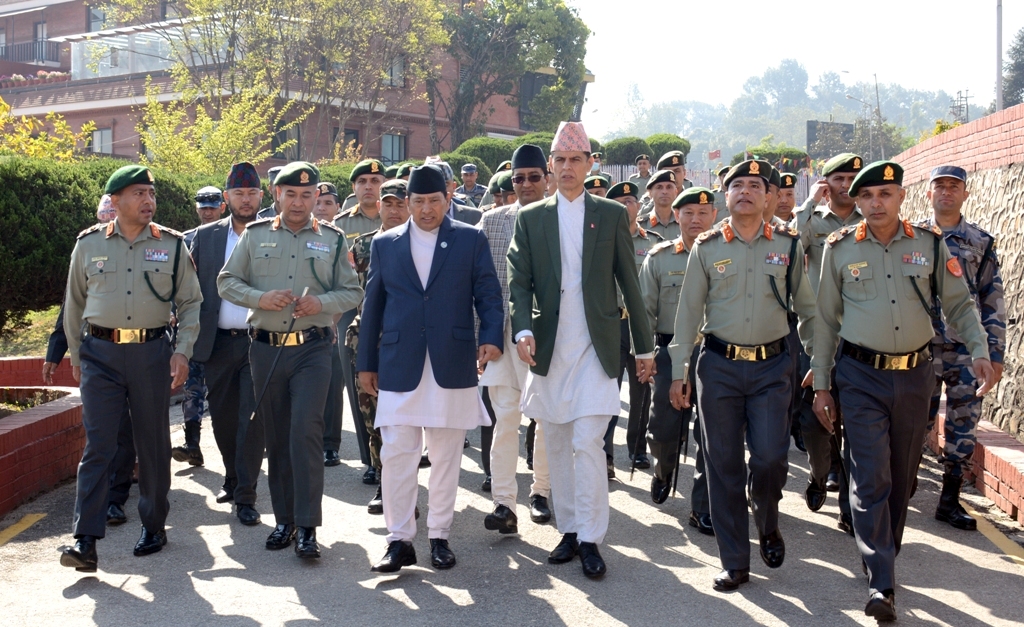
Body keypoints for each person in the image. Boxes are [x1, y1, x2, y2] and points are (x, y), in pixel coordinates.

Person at [810, 160, 995, 621]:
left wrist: (979, 348)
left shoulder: (929, 245)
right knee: (871, 475)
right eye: (867, 196)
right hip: (860, 375)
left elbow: (958, 302)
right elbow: (825, 321)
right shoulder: (839, 248)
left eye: (885, 195)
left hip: (916, 375)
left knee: (902, 478)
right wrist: (822, 383)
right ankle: (881, 582)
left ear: (901, 198)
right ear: (857, 200)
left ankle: (885, 557)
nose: (875, 203)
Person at [507, 121, 654, 579]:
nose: (567, 168)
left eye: (576, 160)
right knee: (555, 439)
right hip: (550, 348)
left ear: (591, 164)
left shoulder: (610, 214)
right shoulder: (531, 218)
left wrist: (645, 349)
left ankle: (591, 537)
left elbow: (630, 282)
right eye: (560, 160)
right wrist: (522, 330)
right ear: (550, 166)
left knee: (587, 440)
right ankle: (568, 530)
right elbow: (519, 283)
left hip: (597, 346)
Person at [669, 159, 816, 591]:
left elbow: (806, 309)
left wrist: (820, 366)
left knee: (771, 458)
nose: (746, 191)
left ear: (769, 196)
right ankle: (735, 560)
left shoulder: (787, 246)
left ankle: (767, 521)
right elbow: (688, 315)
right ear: (725, 196)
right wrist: (680, 371)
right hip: (718, 369)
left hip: (773, 368)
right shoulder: (708, 247)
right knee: (724, 465)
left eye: (756, 185)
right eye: (737, 185)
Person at [358, 164, 503, 573]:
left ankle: (439, 536)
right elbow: (373, 308)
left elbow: (488, 293)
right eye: (418, 202)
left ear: (447, 200)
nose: (425, 210)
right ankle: (399, 540)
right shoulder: (386, 244)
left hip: (451, 363)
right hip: (400, 365)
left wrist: (491, 335)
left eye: (434, 202)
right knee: (398, 454)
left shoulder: (469, 240)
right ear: (407, 204)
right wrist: (366, 362)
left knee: (444, 457)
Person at [60, 165, 203, 571]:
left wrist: (183, 351)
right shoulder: (88, 245)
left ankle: (154, 525)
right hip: (100, 355)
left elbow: (191, 303)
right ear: (116, 200)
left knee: (152, 443)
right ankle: (85, 539)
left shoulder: (172, 245)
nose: (148, 201)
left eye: (151, 194)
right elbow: (73, 303)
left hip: (151, 352)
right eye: (139, 193)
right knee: (99, 445)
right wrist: (76, 354)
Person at [218, 161, 363, 559]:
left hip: (313, 349)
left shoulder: (333, 240)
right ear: (277, 195)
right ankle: (284, 520)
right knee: (278, 437)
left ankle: (308, 527)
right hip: (265, 349)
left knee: (305, 432)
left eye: (307, 194)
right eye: (290, 194)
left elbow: (352, 292)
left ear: (317, 197)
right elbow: (226, 281)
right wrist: (259, 299)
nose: (299, 202)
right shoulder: (255, 235)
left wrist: (322, 302)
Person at [920, 165, 1005, 530]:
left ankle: (950, 498)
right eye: (940, 186)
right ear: (928, 193)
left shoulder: (980, 242)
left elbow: (992, 298)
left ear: (966, 194)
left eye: (954, 187)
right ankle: (903, 483)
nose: (947, 192)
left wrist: (995, 353)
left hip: (965, 347)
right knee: (913, 419)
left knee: (963, 423)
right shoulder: (914, 237)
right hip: (919, 344)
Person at [46, 197, 137, 528]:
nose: (108, 222)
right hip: (95, 355)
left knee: (126, 431)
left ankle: (117, 496)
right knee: (101, 434)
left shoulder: (143, 250)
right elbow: (69, 309)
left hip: (135, 354)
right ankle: (91, 517)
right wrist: (57, 354)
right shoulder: (87, 249)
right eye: (104, 217)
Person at [188, 162, 267, 526]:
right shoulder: (206, 237)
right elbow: (190, 291)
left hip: (259, 343)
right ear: (226, 198)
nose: (246, 199)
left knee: (251, 419)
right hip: (217, 343)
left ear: (261, 196)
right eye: (239, 193)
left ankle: (247, 494)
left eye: (252, 193)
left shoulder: (273, 233)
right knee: (222, 419)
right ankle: (232, 478)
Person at [479, 144, 553, 535]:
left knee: (542, 417)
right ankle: (504, 502)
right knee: (505, 419)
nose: (525, 184)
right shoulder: (491, 221)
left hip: (546, 339)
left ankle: (540, 491)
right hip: (502, 338)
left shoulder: (562, 218)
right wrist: (482, 338)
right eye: (518, 178)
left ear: (548, 178)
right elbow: (480, 283)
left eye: (533, 177)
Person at [791, 153, 863, 531]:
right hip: (817, 334)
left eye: (853, 176)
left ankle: (850, 506)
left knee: (856, 419)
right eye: (839, 177)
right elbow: (788, 243)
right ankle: (821, 473)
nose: (847, 183)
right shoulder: (814, 222)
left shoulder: (871, 221)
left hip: (860, 335)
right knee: (816, 421)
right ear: (826, 182)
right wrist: (808, 204)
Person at [638, 187, 716, 535]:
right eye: (688, 213)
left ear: (715, 215)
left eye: (702, 213)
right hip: (669, 351)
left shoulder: (726, 253)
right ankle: (663, 469)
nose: (695, 220)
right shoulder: (659, 257)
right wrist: (647, 354)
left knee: (712, 433)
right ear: (678, 216)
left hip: (715, 352)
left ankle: (702, 507)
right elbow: (646, 311)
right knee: (665, 426)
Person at [347, 179, 411, 515]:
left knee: (408, 422)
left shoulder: (421, 244)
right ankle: (386, 485)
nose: (395, 210)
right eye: (389, 204)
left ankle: (406, 485)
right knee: (374, 419)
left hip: (408, 342)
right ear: (380, 208)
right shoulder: (361, 247)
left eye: (401, 204)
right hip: (369, 341)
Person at [602, 181, 661, 477]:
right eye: (620, 201)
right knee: (607, 392)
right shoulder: (601, 241)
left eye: (631, 200)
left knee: (641, 391)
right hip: (611, 325)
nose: (627, 206)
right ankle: (605, 455)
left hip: (639, 325)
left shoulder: (653, 241)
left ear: (639, 205)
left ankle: (637, 449)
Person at [334, 159, 386, 477]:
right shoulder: (341, 225)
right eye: (363, 181)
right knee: (359, 387)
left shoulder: (397, 216)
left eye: (376, 180)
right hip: (351, 313)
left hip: (385, 316)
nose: (369, 186)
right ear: (354, 188)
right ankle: (370, 462)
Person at [172, 186, 227, 469]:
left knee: (224, 393)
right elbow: (174, 283)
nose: (207, 211)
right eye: (203, 206)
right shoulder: (185, 240)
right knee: (192, 386)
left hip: (228, 326)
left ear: (222, 207)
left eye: (212, 206)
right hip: (197, 325)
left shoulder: (235, 237)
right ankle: (192, 443)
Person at [313, 181, 347, 469]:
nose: (322, 208)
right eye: (318, 202)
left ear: (338, 207)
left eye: (328, 203)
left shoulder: (340, 238)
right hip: (308, 320)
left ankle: (330, 444)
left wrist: (333, 320)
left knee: (334, 382)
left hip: (339, 318)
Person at [643, 170, 681, 240]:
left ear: (676, 192)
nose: (664, 192)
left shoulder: (684, 223)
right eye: (659, 187)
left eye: (669, 187)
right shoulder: (641, 225)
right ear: (650, 193)